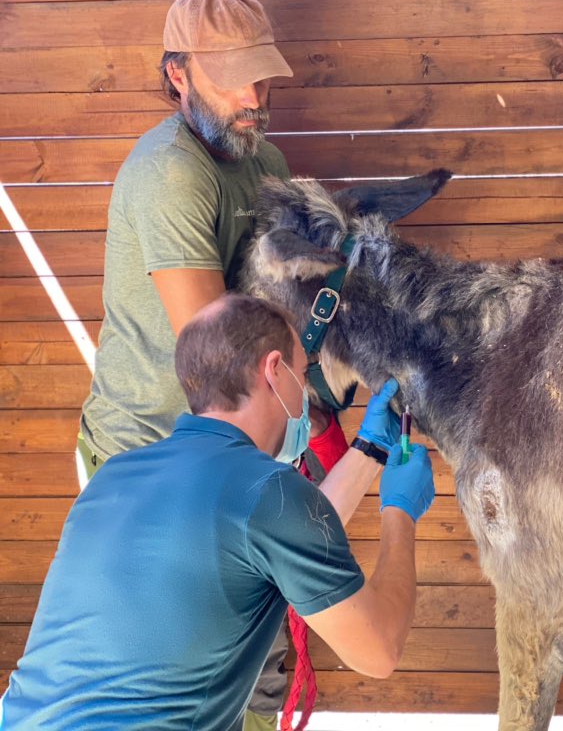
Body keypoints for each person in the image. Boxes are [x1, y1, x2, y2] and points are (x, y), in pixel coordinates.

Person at [0, 295, 436, 730]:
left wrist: (368, 451)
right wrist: (399, 511)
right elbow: (377, 650)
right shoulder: (268, 492)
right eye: (302, 375)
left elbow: (272, 544)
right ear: (274, 370)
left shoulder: (114, 476)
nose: (304, 395)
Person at [75, 0, 312, 728]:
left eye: (263, 75)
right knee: (166, 668)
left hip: (232, 443)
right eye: (233, 75)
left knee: (253, 651)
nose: (255, 94)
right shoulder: (170, 171)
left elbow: (291, 295)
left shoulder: (260, 156)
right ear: (177, 73)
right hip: (146, 454)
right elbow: (214, 350)